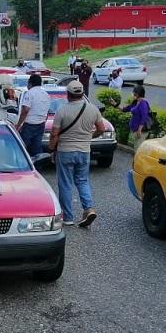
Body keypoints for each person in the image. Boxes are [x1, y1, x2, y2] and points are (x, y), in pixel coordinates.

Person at [48, 80, 108, 228]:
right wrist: (89, 137)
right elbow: (101, 129)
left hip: (65, 151)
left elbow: (54, 134)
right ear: (82, 93)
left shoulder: (62, 110)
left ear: (68, 94)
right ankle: (89, 209)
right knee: (82, 181)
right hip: (84, 151)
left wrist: (51, 148)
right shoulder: (93, 109)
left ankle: (68, 217)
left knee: (65, 183)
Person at [15, 74, 50, 157]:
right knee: (37, 147)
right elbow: (47, 110)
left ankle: (23, 161)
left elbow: (25, 110)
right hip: (41, 124)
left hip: (29, 125)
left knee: (22, 147)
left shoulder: (30, 93)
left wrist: (18, 125)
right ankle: (39, 162)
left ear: (30, 83)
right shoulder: (45, 94)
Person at [121, 85, 153, 149]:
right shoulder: (136, 102)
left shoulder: (143, 103)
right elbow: (125, 109)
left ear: (137, 94)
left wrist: (139, 130)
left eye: (133, 92)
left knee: (138, 148)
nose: (132, 94)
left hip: (141, 131)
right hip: (135, 130)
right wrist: (115, 104)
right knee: (136, 147)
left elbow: (144, 117)